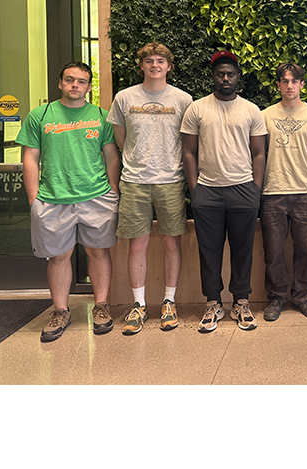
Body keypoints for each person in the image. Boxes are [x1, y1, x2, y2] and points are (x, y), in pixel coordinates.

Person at [18, 61, 121, 341]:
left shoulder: (101, 116)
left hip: (96, 196)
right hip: (52, 198)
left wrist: (112, 189)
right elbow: (30, 157)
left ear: (89, 86)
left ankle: (101, 306)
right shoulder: (40, 115)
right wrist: (33, 197)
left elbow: (111, 155)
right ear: (60, 83)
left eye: (82, 81)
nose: (76, 85)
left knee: (98, 251)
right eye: (70, 80)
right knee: (59, 256)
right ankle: (61, 311)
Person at [107, 42, 193, 334]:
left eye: (160, 61)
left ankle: (169, 301)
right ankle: (139, 305)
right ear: (141, 65)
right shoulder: (124, 97)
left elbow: (189, 140)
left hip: (171, 179)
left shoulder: (183, 99)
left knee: (171, 242)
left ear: (169, 66)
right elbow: (120, 139)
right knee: (137, 244)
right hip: (134, 180)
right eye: (149, 61)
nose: (155, 65)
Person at [181, 50, 266, 332]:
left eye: (230, 74)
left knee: (243, 250)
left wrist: (255, 189)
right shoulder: (197, 109)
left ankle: (241, 302)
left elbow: (258, 153)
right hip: (208, 191)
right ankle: (213, 302)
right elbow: (189, 152)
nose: (225, 78)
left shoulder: (251, 110)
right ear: (213, 77)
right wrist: (195, 190)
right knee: (209, 251)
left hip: (243, 190)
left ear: (238, 77)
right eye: (220, 74)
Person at [259, 63, 307, 322]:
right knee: (273, 250)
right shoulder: (264, 115)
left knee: (306, 249)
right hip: (273, 192)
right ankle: (277, 296)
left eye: (295, 81)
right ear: (278, 85)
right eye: (285, 81)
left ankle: (302, 295)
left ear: (302, 84)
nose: (290, 85)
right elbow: (256, 152)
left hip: (305, 193)